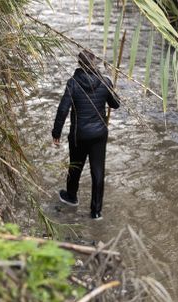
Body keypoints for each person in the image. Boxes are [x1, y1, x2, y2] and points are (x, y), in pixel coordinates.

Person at [52, 49, 120, 220]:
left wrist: (56, 132)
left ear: (79, 64)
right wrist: (112, 87)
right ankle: (96, 212)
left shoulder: (73, 83)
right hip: (99, 135)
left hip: (79, 135)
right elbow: (116, 104)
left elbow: (62, 110)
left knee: (75, 166)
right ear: (95, 63)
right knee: (98, 172)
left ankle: (71, 197)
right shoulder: (105, 82)